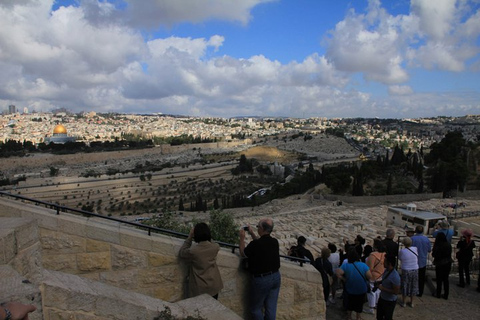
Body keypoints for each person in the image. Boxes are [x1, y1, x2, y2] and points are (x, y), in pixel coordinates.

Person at [240, 218, 281, 320]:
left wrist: (241, 238)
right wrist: (252, 233)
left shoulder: (255, 245)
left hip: (262, 280)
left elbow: (243, 253)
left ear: (262, 228)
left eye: (258, 226)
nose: (257, 228)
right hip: (276, 277)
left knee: (255, 309)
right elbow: (261, 244)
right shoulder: (274, 242)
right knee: (271, 309)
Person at [178, 223, 223, 299]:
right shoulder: (215, 247)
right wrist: (206, 235)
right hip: (214, 284)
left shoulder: (193, 251)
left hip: (200, 287)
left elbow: (182, 252)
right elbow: (212, 242)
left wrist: (190, 236)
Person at [336, 248, 372, 320]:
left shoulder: (346, 265)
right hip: (361, 289)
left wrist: (344, 279)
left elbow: (337, 272)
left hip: (350, 288)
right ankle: (358, 317)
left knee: (350, 304)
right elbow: (369, 276)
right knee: (359, 304)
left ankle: (349, 317)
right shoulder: (363, 265)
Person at [375, 254, 401, 320]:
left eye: (385, 261)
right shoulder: (386, 270)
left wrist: (383, 288)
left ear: (389, 264)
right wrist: (379, 282)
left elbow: (396, 291)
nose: (383, 263)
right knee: (379, 316)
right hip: (382, 298)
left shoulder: (395, 276)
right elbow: (385, 279)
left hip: (389, 301)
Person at [364, 239, 386, 314]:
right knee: (378, 291)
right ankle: (376, 304)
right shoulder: (384, 254)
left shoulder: (373, 255)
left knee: (371, 292)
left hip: (373, 276)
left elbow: (369, 268)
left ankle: (371, 308)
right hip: (381, 275)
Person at [411, 225, 432, 297]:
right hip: (422, 261)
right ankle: (420, 292)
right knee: (421, 278)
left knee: (413, 277)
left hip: (413, 261)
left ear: (415, 230)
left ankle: (412, 291)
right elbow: (429, 250)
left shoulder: (412, 239)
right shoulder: (426, 239)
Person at [398, 237, 418, 307]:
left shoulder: (402, 251)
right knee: (413, 285)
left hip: (406, 269)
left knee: (405, 285)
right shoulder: (415, 249)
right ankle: (412, 302)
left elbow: (400, 258)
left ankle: (404, 302)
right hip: (414, 269)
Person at [432, 232, 452, 299]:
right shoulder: (448, 244)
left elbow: (434, 254)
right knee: (446, 279)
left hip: (440, 264)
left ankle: (438, 294)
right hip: (448, 263)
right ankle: (446, 294)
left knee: (439, 279)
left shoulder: (438, 245)